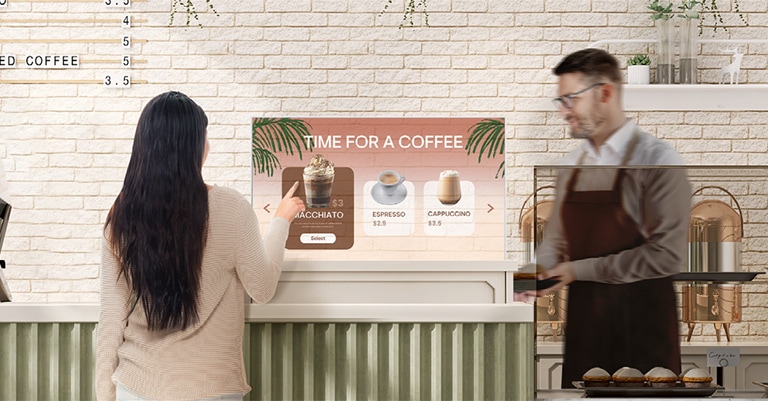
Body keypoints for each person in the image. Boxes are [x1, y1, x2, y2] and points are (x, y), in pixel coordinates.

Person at [96, 91, 305, 401]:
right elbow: (262, 289)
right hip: (210, 388)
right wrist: (281, 221)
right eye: (204, 137)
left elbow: (112, 316)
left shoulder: (122, 215)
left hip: (135, 386)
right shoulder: (230, 207)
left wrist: (104, 394)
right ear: (193, 146)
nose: (208, 146)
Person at [530, 48, 691, 386]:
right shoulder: (570, 166)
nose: (564, 111)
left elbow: (667, 255)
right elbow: (556, 243)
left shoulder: (657, 160)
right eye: (560, 101)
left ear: (605, 93)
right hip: (586, 331)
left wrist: (577, 270)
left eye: (571, 99)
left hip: (645, 332)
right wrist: (527, 277)